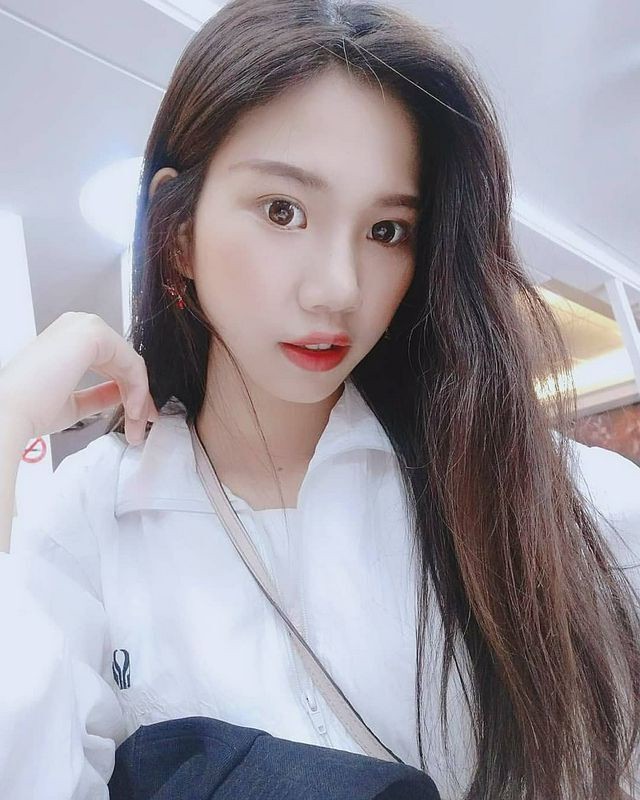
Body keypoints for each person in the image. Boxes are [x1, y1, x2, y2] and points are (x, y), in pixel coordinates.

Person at [0, 0, 639, 797]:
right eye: (284, 211)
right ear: (179, 234)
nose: (339, 288)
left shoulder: (538, 490)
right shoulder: (87, 520)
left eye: (386, 230)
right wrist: (6, 420)